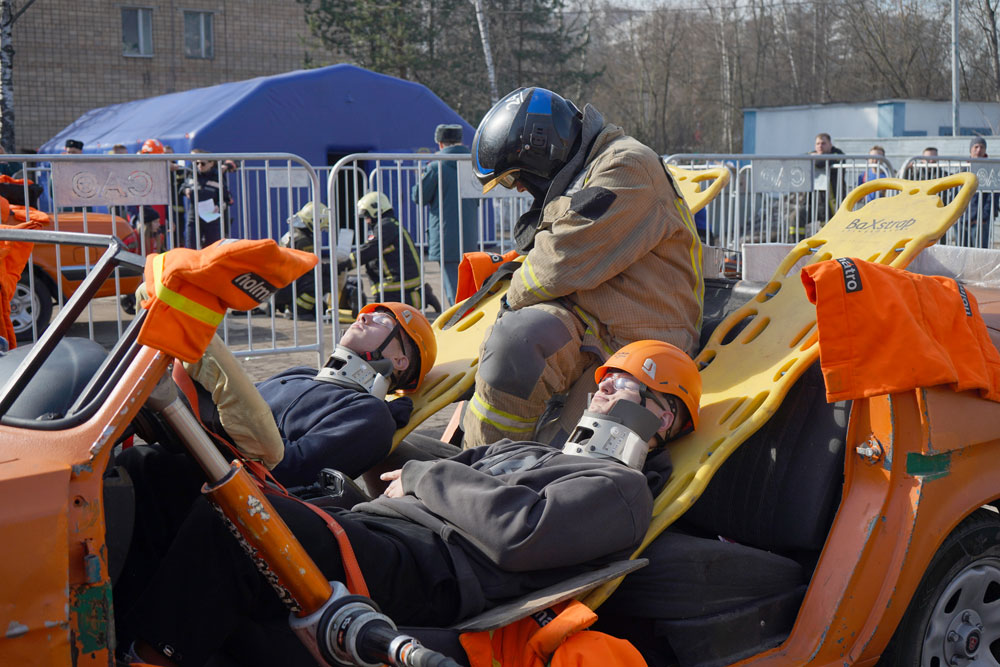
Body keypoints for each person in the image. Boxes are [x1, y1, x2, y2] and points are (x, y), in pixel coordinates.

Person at [115, 340, 700, 666]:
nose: (600, 387)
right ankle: (107, 631)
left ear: (664, 415)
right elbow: (447, 481)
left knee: (234, 523)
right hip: (378, 530)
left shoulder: (620, 489)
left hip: (427, 568)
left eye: (622, 383)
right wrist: (414, 483)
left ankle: (148, 656)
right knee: (163, 476)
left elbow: (517, 531)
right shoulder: (533, 452)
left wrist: (420, 473)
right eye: (603, 378)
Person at [461, 86, 703, 447]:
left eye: (515, 177)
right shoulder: (586, 172)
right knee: (517, 341)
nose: (518, 190)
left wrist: (508, 304)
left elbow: (559, 261)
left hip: (642, 344)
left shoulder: (627, 165)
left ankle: (517, 484)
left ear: (542, 152)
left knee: (565, 454)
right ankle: (481, 468)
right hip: (592, 326)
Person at [252, 302, 436, 486]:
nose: (363, 317)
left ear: (399, 361)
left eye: (382, 321)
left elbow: (291, 467)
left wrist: (235, 422)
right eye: (365, 315)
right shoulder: (300, 374)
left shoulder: (368, 414)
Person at [411, 124, 480, 306]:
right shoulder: (472, 165)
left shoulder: (435, 166)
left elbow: (419, 196)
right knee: (469, 286)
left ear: (440, 144)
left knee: (453, 290)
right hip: (469, 235)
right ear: (461, 141)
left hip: (445, 236)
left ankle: (460, 326)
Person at [345, 191, 438, 310]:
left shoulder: (386, 226)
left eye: (367, 216)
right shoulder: (387, 224)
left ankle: (421, 298)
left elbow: (370, 250)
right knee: (382, 304)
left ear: (376, 210)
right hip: (402, 276)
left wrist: (345, 263)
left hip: (402, 279)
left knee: (385, 307)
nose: (367, 221)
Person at [788, 132, 845, 237]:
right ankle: (797, 247)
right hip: (813, 202)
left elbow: (820, 163)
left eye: (823, 143)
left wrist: (813, 158)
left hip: (832, 203)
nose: (820, 146)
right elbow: (800, 158)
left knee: (831, 231)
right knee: (796, 217)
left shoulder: (837, 154)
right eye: (818, 143)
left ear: (830, 145)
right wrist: (812, 157)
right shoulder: (812, 154)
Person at [182, 150, 235, 249]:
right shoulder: (192, 174)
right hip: (194, 217)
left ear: (211, 163)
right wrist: (186, 191)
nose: (199, 166)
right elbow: (182, 187)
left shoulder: (217, 177)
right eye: (197, 163)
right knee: (191, 247)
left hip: (211, 218)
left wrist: (219, 206)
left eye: (203, 163)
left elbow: (227, 199)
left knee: (212, 248)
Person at [967, 136, 998, 249]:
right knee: (962, 252)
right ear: (970, 150)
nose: (979, 150)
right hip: (962, 220)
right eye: (976, 147)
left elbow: (993, 196)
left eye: (982, 147)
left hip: (981, 220)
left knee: (980, 251)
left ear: (985, 150)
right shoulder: (962, 168)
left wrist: (984, 217)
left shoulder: (990, 171)